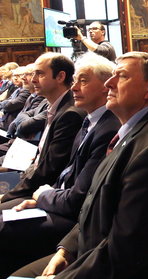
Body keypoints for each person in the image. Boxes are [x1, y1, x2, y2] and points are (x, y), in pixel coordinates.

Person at [11, 52, 148, 278]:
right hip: (88, 249)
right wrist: (66, 250)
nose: (109, 82)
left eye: (121, 76)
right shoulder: (132, 132)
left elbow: (126, 249)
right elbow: (93, 203)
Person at [0, 53, 121, 278]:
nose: (74, 87)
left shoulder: (107, 128)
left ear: (106, 87)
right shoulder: (89, 120)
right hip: (58, 200)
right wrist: (40, 196)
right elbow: (66, 175)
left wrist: (43, 196)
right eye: (75, 80)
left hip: (73, 217)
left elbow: (80, 198)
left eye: (83, 81)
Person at [0, 53, 86, 205]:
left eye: (39, 74)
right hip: (31, 175)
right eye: (33, 74)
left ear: (60, 77)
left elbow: (50, 169)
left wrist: (7, 196)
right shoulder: (54, 105)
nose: (33, 80)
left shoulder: (70, 113)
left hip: (47, 189)